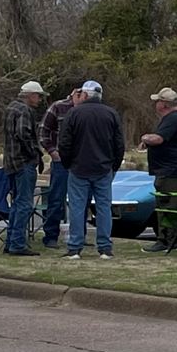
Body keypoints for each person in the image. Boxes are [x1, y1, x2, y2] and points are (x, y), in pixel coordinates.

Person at [58, 81, 124, 261]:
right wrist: (113, 166)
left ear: (85, 95)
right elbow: (119, 144)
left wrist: (67, 163)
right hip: (103, 168)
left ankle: (75, 248)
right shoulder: (111, 114)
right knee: (104, 208)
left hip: (79, 168)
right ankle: (104, 247)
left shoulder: (74, 113)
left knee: (77, 208)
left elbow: (64, 143)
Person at [139, 87, 177, 252]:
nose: (156, 104)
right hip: (168, 170)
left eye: (158, 101)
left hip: (172, 171)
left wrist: (145, 138)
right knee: (166, 204)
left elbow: (159, 139)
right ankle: (169, 239)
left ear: (164, 104)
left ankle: (168, 240)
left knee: (169, 205)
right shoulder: (173, 118)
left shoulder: (173, 118)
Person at [0, 81, 46, 256]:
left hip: (10, 162)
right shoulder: (25, 111)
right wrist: (34, 154)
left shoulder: (11, 107)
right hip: (23, 162)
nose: (39, 99)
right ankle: (18, 243)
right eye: (38, 96)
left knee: (16, 203)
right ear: (30, 95)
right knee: (25, 204)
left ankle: (11, 241)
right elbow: (23, 133)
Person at [37, 85, 81, 247]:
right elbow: (43, 131)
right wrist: (52, 152)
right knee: (56, 198)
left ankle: (78, 236)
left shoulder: (86, 109)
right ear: (75, 93)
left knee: (80, 200)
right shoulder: (58, 107)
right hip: (61, 161)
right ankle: (51, 236)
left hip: (80, 162)